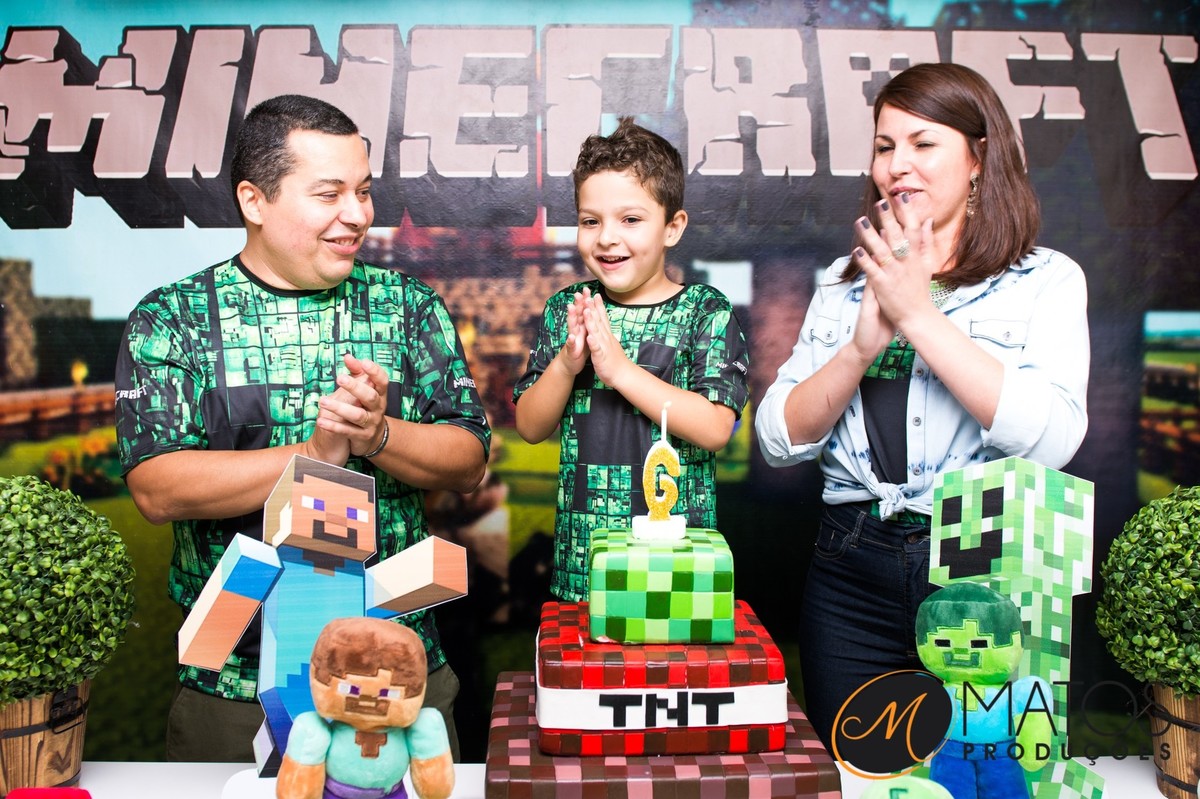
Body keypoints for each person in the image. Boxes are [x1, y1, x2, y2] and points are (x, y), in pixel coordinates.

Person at [114, 94, 489, 763]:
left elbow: (469, 460)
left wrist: (377, 435)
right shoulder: (174, 318)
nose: (358, 214)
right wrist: (314, 454)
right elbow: (157, 487)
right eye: (329, 194)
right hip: (233, 693)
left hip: (400, 679)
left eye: (364, 191)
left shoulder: (408, 307)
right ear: (255, 200)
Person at [754, 63, 1089, 748]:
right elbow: (777, 439)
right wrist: (859, 348)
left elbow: (1053, 440)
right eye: (885, 146)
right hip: (850, 565)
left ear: (978, 157)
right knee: (856, 773)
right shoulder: (843, 284)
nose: (897, 164)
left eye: (922, 143)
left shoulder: (1045, 280)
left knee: (986, 775)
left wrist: (917, 314)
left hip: (987, 560)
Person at [512, 117, 750, 602]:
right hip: (583, 563)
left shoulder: (704, 310)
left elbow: (714, 428)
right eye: (590, 221)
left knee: (668, 648)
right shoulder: (568, 308)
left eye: (631, 220)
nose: (606, 238)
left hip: (676, 562)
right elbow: (530, 426)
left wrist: (619, 371)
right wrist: (566, 366)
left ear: (672, 228)